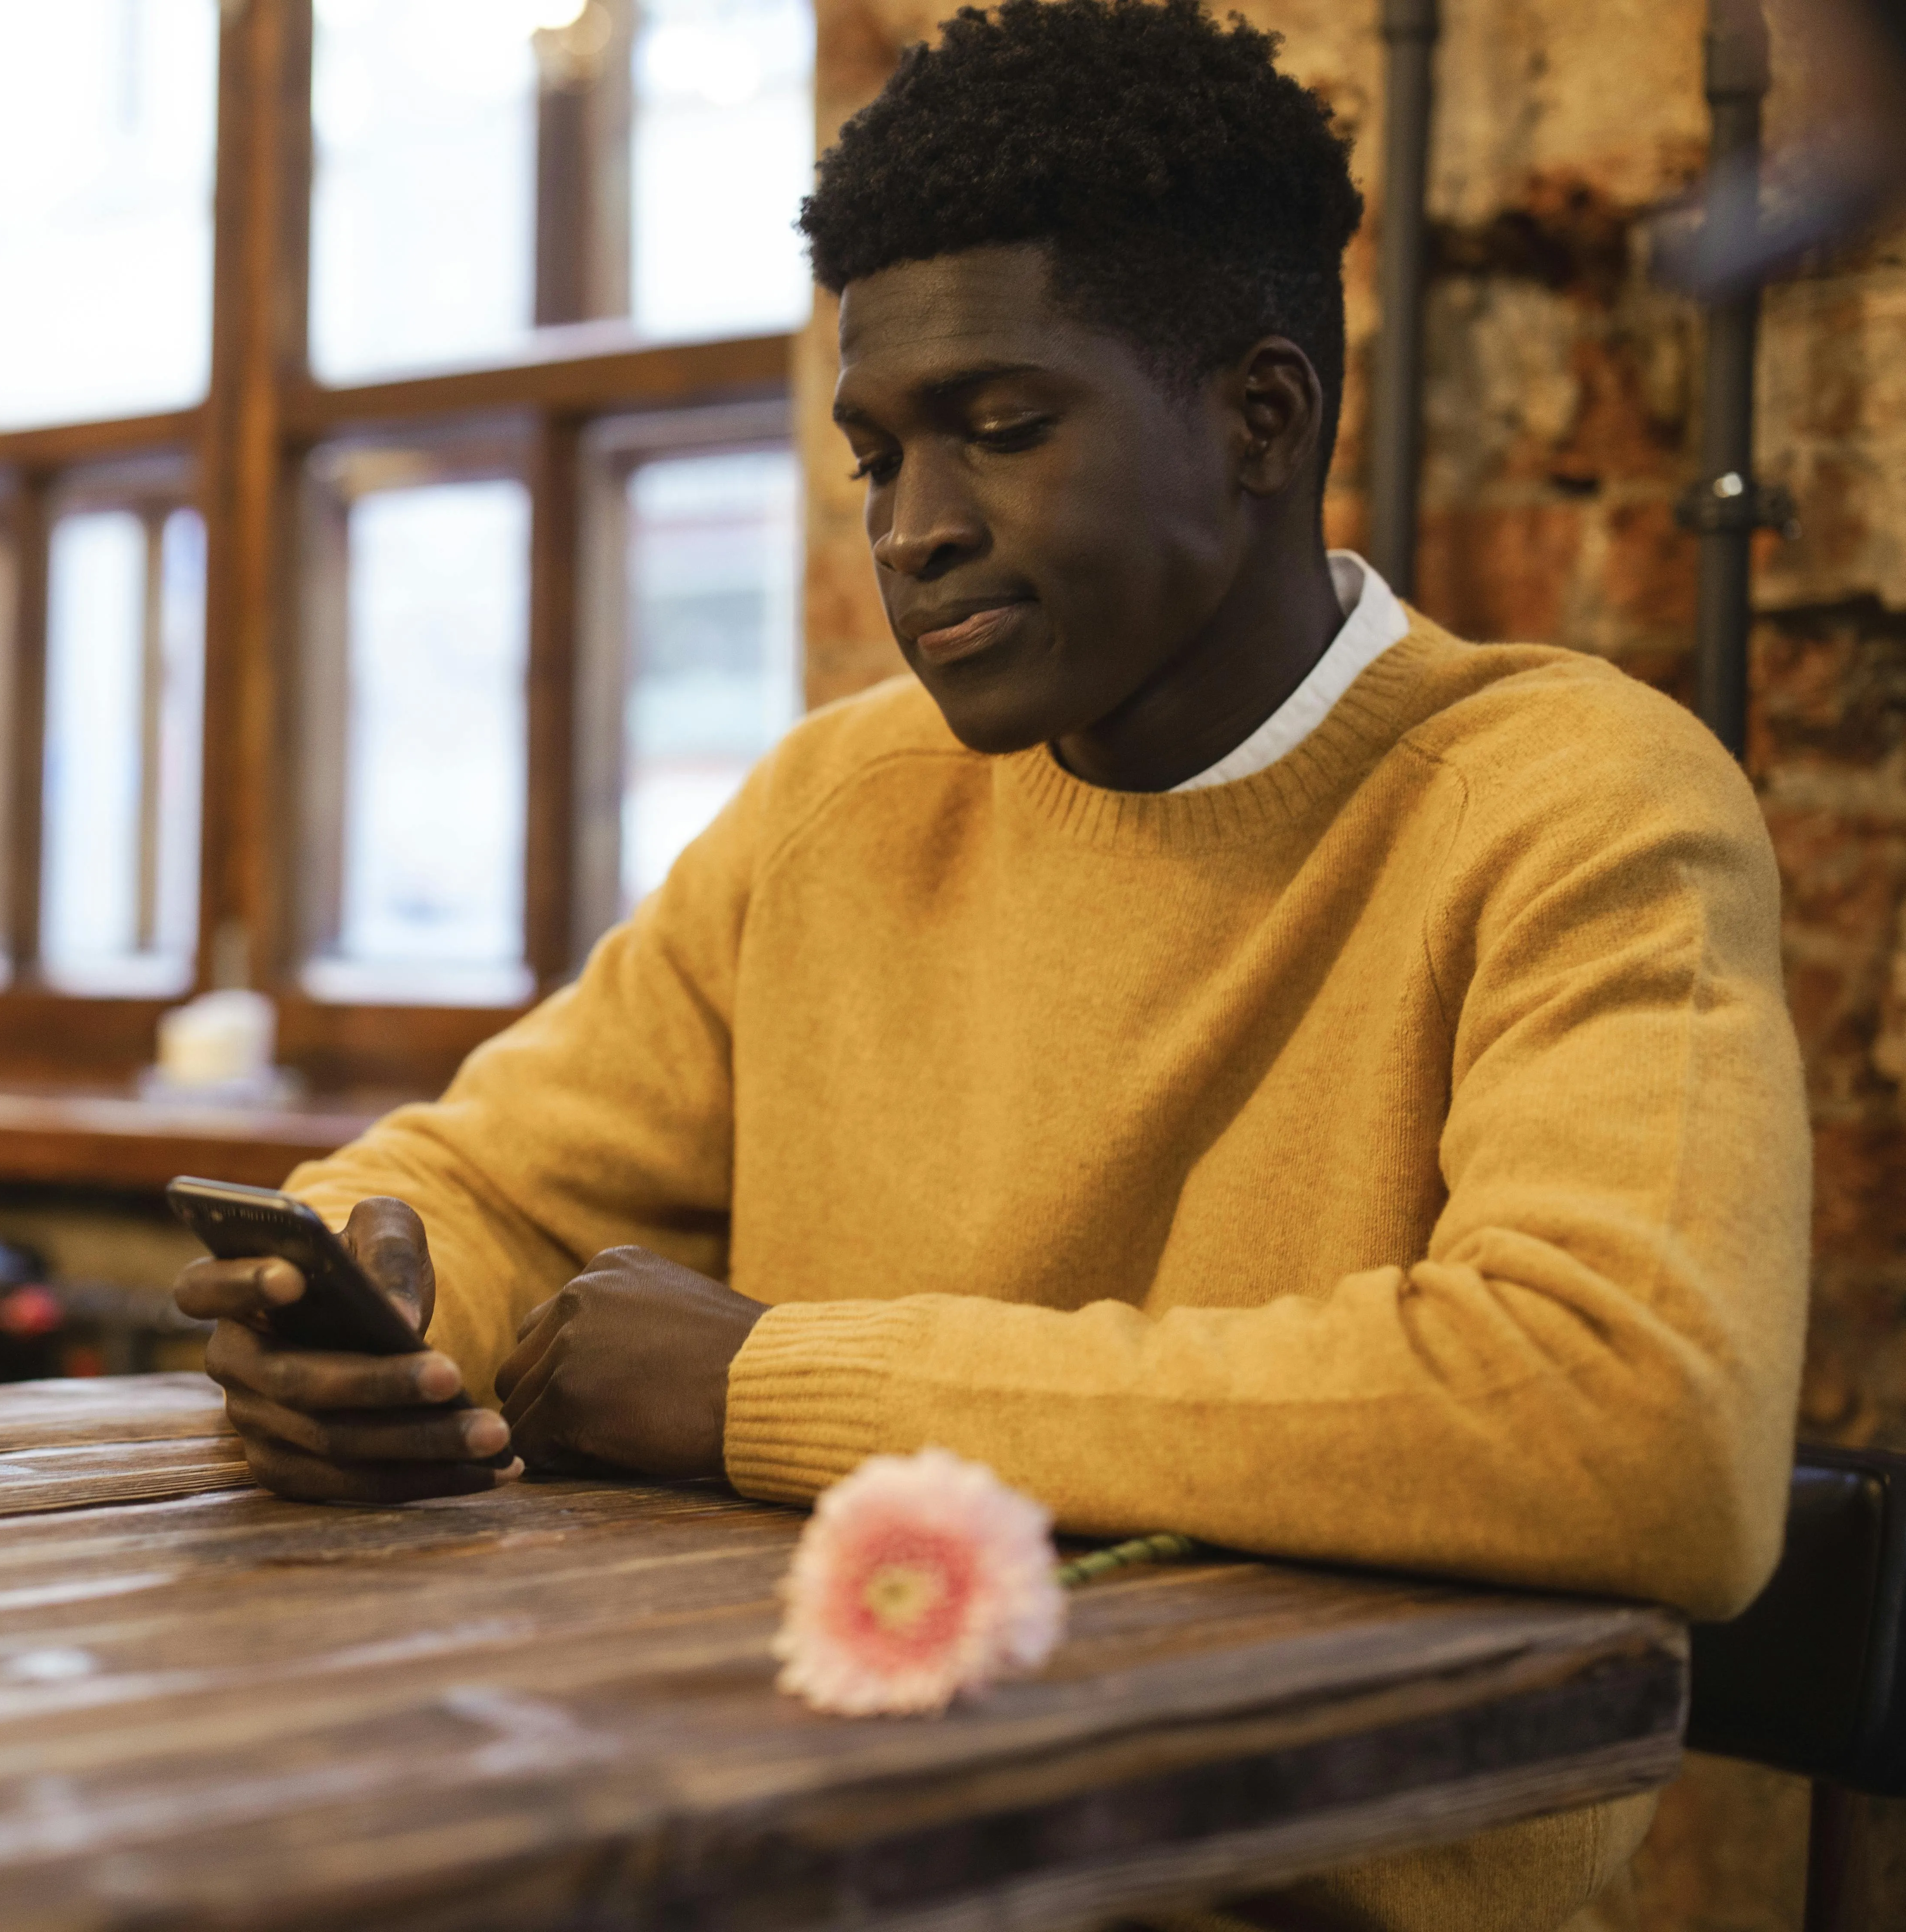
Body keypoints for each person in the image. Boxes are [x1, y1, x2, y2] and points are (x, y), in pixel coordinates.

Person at [174, 3, 1810, 1925]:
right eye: (878, 456)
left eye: (1002, 431)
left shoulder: (1571, 801)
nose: (916, 531)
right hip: (829, 1850)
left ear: (1260, 419)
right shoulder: (840, 805)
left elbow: (1634, 1420)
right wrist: (366, 1320)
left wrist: (773, 1383)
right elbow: (474, 1183)